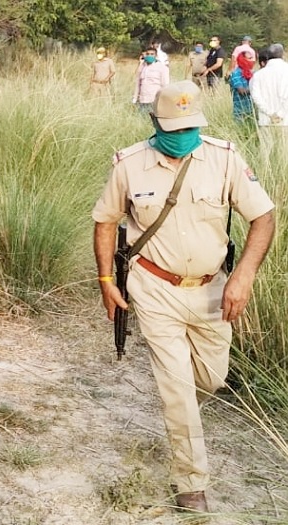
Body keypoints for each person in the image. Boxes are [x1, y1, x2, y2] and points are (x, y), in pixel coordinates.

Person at [93, 80, 275, 513]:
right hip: (155, 288)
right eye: (174, 129)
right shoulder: (129, 164)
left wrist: (244, 275)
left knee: (210, 378)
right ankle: (191, 483)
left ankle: (181, 419)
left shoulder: (224, 158)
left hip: (212, 288)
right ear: (155, 122)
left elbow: (264, 216)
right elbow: (105, 221)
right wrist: (106, 280)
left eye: (190, 128)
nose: (182, 137)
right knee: (177, 387)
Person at [250, 43, 288, 154]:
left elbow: (255, 96)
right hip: (285, 120)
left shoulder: (258, 75)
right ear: (282, 54)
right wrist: (280, 113)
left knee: (267, 154)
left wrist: (270, 113)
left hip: (265, 120)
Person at [133, 47, 169, 114]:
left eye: (152, 54)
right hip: (142, 100)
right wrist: (135, 98)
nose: (149, 56)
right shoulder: (142, 67)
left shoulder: (162, 68)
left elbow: (165, 85)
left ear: (156, 56)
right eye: (148, 54)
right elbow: (137, 84)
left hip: (154, 100)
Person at [228, 51, 255, 122]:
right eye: (249, 58)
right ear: (243, 59)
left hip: (252, 109)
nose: (251, 60)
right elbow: (241, 91)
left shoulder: (251, 72)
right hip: (240, 110)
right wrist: (255, 88)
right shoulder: (236, 73)